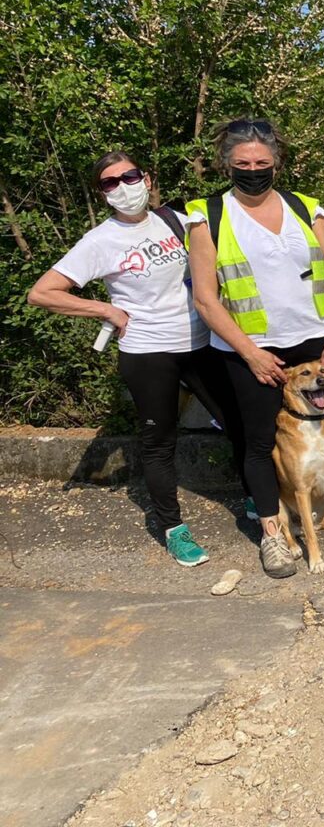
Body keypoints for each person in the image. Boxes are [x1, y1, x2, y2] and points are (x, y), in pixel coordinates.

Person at [187, 118, 324, 580]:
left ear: (277, 163)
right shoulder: (207, 216)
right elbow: (206, 297)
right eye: (242, 163)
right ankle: (272, 532)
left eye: (262, 163)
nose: (252, 170)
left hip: (315, 339)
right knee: (257, 439)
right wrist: (249, 352)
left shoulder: (306, 209)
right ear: (227, 163)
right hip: (250, 349)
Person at [27, 151, 247, 567]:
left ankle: (257, 501)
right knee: (159, 443)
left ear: (146, 178)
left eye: (129, 176)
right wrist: (106, 311)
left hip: (203, 343)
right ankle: (173, 529)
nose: (123, 187)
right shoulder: (99, 241)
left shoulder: (179, 220)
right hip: (148, 352)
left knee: (239, 422)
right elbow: (41, 293)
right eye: (110, 183)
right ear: (102, 193)